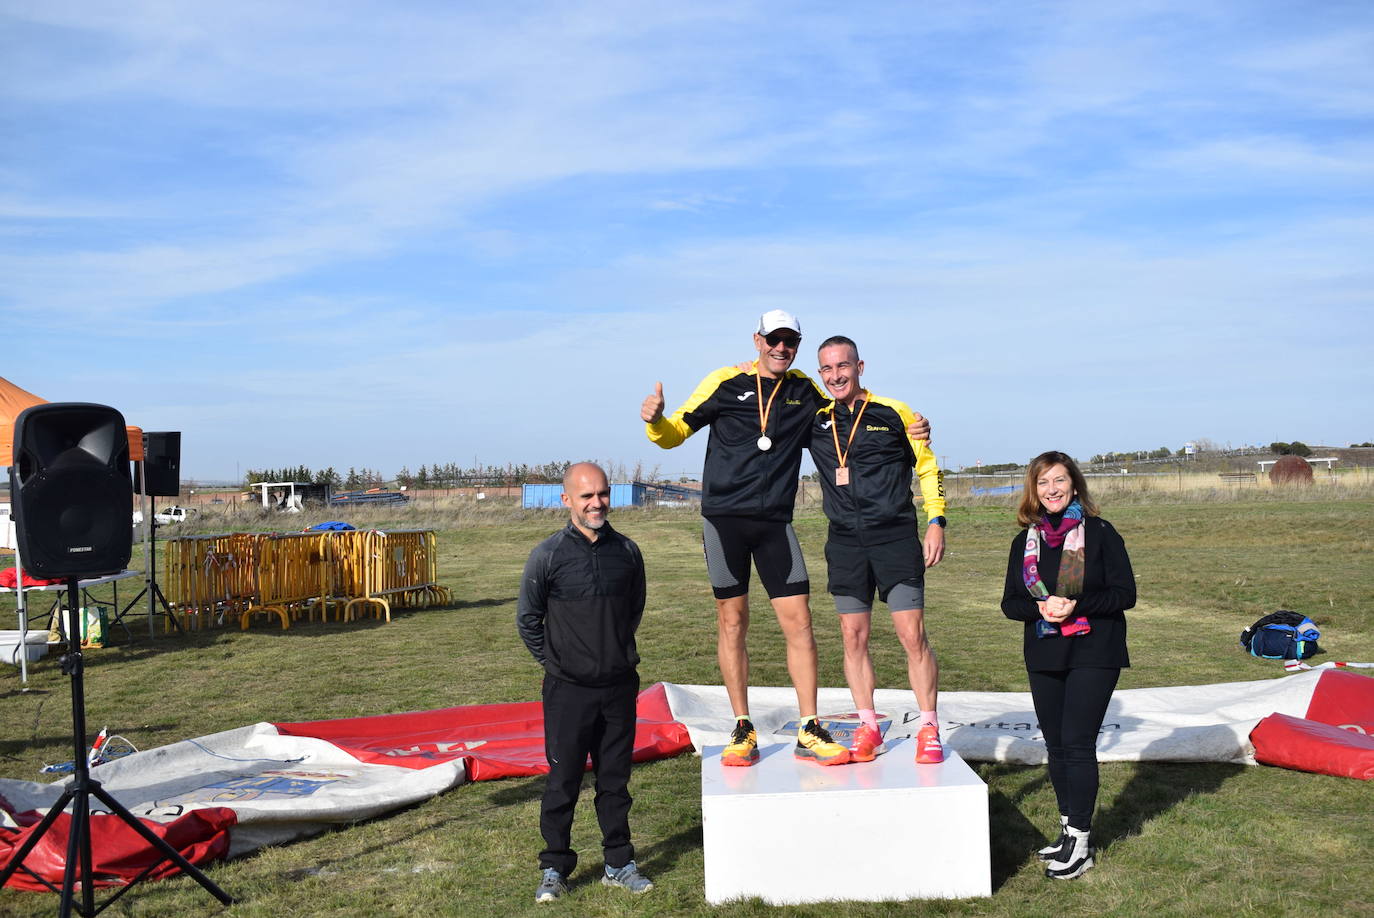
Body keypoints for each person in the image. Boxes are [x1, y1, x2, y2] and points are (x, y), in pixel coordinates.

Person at [640, 310, 931, 768]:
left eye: (790, 341)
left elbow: (846, 407)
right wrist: (655, 421)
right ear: (757, 340)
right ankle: (742, 727)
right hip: (723, 523)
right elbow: (674, 434)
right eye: (773, 339)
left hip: (776, 523)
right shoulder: (723, 381)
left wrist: (914, 429)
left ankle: (810, 726)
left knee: (801, 623)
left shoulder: (804, 390)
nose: (781, 347)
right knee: (733, 622)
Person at [517, 462, 653, 903]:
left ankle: (619, 863)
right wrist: (560, 663)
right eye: (586, 496)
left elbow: (633, 610)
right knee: (563, 783)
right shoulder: (548, 555)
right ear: (567, 501)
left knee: (615, 781)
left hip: (618, 687)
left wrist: (609, 655)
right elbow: (528, 620)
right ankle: (554, 867)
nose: (596, 503)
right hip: (567, 691)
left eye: (602, 494)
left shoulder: (628, 552)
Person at [808, 336, 948, 766]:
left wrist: (937, 520)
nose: (835, 376)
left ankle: (929, 727)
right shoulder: (815, 421)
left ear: (860, 366)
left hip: (894, 538)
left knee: (912, 635)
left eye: (843, 366)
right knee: (853, 637)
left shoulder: (896, 413)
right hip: (846, 544)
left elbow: (928, 467)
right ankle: (868, 725)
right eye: (827, 369)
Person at [1000, 451, 1135, 880]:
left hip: (1095, 650)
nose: (1052, 490)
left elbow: (1124, 594)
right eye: (1043, 483)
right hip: (1044, 653)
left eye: (1059, 480)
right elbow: (1010, 603)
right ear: (1033, 490)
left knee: (1077, 743)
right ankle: (1067, 830)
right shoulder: (1026, 541)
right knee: (1056, 744)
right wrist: (1039, 609)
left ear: (1074, 484)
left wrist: (1077, 604)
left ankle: (1081, 843)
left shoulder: (1100, 533)